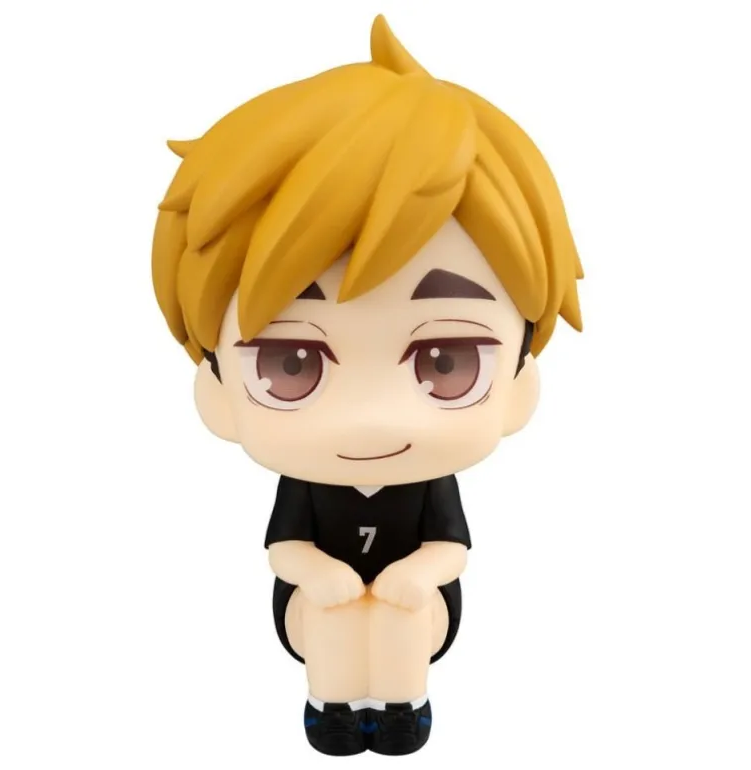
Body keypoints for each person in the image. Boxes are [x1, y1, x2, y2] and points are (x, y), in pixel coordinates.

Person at [151, 14, 582, 757]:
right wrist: (320, 576)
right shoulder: (306, 483)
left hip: (421, 614)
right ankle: (332, 708)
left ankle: (404, 706)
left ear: (519, 387)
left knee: (398, 617)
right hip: (312, 613)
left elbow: (451, 550)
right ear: (218, 395)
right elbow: (285, 549)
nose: (371, 418)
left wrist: (416, 576)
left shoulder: (429, 482)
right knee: (337, 617)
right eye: (292, 364)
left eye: (446, 362)